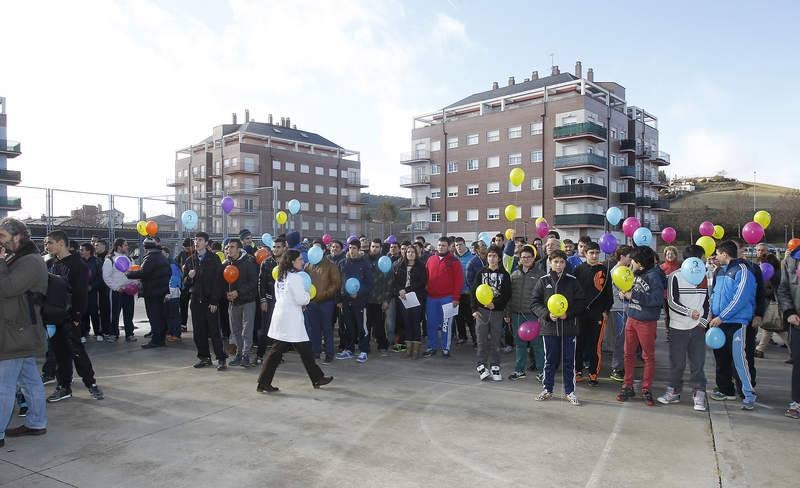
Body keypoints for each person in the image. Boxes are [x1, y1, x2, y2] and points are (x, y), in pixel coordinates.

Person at [0, 218, 49, 446]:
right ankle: (37, 422)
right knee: (29, 379)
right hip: (18, 329)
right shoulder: (19, 258)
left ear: (17, 236)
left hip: (17, 330)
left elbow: (8, 287)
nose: (0, 241)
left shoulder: (30, 261)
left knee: (4, 384)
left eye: (2, 236)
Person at [256, 250, 333, 393]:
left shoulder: (281, 276)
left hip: (282, 318)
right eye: (299, 259)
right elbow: (301, 299)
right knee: (287, 352)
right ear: (292, 261)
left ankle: (316, 377)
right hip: (291, 320)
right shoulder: (295, 278)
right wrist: (307, 295)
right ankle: (264, 382)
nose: (302, 262)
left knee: (292, 352)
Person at [43, 231, 104, 402]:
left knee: (76, 351)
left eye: (49, 243)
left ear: (61, 243)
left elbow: (80, 293)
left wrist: (77, 316)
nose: (46, 246)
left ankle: (91, 384)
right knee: (58, 353)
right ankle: (64, 387)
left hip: (70, 316)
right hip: (53, 316)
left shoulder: (78, 265)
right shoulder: (50, 263)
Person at [658, 244, 710, 411]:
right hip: (678, 327)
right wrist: (689, 313)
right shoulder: (675, 276)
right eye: (700, 258)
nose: (702, 262)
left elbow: (708, 301)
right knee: (677, 363)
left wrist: (703, 321)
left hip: (698, 328)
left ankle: (699, 393)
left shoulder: (704, 276)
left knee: (698, 363)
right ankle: (674, 391)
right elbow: (671, 302)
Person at [531, 250, 585, 405]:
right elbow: (535, 303)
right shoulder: (543, 281)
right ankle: (547, 390)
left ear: (565, 263)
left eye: (562, 262)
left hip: (569, 328)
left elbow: (581, 302)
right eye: (555, 262)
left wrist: (568, 314)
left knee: (569, 361)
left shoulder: (573, 281)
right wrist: (548, 315)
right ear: (550, 262)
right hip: (549, 328)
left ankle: (570, 392)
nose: (559, 265)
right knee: (550, 361)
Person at [709, 240, 758, 410]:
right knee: (721, 359)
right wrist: (711, 314)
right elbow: (714, 294)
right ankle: (725, 390)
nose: (715, 256)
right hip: (718, 323)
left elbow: (740, 298)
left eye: (717, 253)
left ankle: (749, 394)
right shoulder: (719, 271)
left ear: (724, 253)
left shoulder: (743, 270)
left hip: (736, 323)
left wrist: (721, 317)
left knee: (740, 360)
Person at [616, 246, 665, 407]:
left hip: (646, 322)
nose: (630, 263)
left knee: (647, 356)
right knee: (628, 354)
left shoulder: (655, 275)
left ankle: (646, 388)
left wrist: (633, 295)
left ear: (640, 263)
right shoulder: (635, 273)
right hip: (632, 318)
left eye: (633, 261)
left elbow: (656, 300)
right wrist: (624, 295)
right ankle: (627, 385)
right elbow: (631, 293)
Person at [184, 232, 228, 371]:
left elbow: (218, 282)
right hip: (196, 300)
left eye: (200, 240)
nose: (197, 242)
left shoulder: (214, 259)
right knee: (198, 331)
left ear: (207, 243)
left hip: (210, 301)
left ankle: (221, 358)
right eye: (196, 240)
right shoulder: (190, 260)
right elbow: (185, 283)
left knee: (214, 330)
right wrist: (189, 277)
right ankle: (204, 357)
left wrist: (215, 301)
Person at [573, 241, 613, 385]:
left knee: (595, 345)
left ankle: (593, 373)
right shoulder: (578, 270)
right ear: (585, 253)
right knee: (579, 343)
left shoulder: (605, 270)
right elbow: (573, 293)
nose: (594, 255)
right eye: (591, 253)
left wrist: (606, 310)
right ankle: (577, 371)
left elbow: (609, 295)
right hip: (580, 314)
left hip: (598, 314)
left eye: (597, 253)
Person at [471, 245, 512, 381]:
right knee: (481, 340)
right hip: (481, 312)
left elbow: (507, 294)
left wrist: (496, 304)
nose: (491, 258)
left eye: (494, 256)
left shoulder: (504, 275)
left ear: (499, 258)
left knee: (496, 340)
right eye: (489, 256)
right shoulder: (480, 273)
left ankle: (495, 366)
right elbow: (473, 292)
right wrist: (474, 310)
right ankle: (481, 365)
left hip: (497, 312)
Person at [507, 245, 544, 381]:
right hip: (516, 314)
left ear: (533, 258)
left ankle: (542, 372)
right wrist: (508, 313)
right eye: (523, 257)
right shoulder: (514, 274)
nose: (526, 259)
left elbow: (543, 297)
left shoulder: (540, 274)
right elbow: (509, 296)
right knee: (519, 344)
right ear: (520, 259)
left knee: (537, 345)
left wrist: (541, 315)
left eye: (529, 257)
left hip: (533, 315)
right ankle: (519, 370)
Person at [424, 236, 464, 358]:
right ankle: (432, 346)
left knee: (446, 325)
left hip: (447, 298)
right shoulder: (430, 260)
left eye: (444, 245)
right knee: (431, 324)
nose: (441, 247)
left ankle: (445, 348)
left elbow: (459, 280)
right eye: (439, 245)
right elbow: (425, 277)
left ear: (448, 247)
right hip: (431, 298)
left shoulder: (454, 261)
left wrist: (456, 298)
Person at [127, 238, 171, 348]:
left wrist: (129, 274)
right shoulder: (162, 256)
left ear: (146, 247)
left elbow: (143, 272)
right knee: (160, 316)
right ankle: (160, 339)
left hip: (152, 291)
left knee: (154, 316)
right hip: (161, 291)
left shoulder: (151, 257)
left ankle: (156, 340)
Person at [223, 238, 259, 367]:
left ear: (239, 249)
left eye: (232, 247)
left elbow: (253, 282)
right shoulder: (226, 263)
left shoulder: (248, 262)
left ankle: (245, 356)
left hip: (248, 301)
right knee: (235, 330)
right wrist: (226, 293)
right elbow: (222, 282)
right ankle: (238, 354)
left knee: (247, 330)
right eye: (227, 247)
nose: (229, 249)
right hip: (233, 302)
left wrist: (238, 292)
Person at [336, 240, 373, 362]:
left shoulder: (365, 264)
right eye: (350, 248)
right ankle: (349, 349)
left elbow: (369, 283)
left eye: (354, 248)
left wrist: (358, 292)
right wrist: (339, 299)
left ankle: (364, 350)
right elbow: (339, 283)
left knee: (362, 327)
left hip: (360, 302)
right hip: (346, 302)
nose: (352, 250)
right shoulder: (343, 263)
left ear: (359, 250)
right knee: (348, 327)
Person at [305, 241, 341, 363]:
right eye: (313, 248)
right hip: (311, 302)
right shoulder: (308, 265)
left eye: (318, 248)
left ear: (324, 250)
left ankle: (329, 353)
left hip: (326, 302)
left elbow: (336, 284)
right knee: (314, 328)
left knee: (327, 328)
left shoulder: (331, 265)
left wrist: (323, 295)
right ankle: (315, 352)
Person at [776, 241, 800, 418]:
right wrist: (789, 312)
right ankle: (796, 403)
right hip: (797, 321)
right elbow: (783, 289)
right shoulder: (791, 259)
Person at [393, 244, 427, 358]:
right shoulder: (400, 265)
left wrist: (406, 290)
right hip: (403, 299)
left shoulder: (421, 266)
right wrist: (400, 290)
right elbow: (396, 282)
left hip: (416, 298)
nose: (410, 254)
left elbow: (422, 282)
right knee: (407, 323)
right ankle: (409, 348)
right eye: (408, 252)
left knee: (416, 323)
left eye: (412, 252)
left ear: (416, 254)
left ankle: (416, 349)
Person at [102, 238, 138, 343]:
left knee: (129, 313)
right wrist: (117, 288)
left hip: (129, 292)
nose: (127, 247)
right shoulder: (110, 259)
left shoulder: (130, 259)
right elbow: (106, 277)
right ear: (119, 247)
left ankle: (129, 334)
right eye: (125, 245)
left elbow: (133, 273)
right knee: (114, 314)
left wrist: (135, 285)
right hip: (116, 292)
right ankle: (113, 333)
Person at [257, 237, 285, 363]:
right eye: (274, 247)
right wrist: (263, 300)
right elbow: (261, 283)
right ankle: (259, 355)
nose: (275, 249)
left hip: (284, 303)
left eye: (278, 247)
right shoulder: (266, 262)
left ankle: (278, 356)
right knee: (265, 329)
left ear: (284, 248)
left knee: (281, 331)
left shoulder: (288, 263)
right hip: (269, 301)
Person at [755, 251, 787, 359]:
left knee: (775, 327)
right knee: (771, 327)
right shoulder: (779, 272)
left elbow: (769, 291)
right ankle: (760, 349)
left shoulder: (772, 275)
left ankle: (760, 350)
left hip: (774, 304)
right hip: (778, 304)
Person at [609, 245, 632, 382]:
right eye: (629, 256)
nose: (631, 259)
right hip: (618, 308)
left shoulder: (626, 270)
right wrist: (621, 293)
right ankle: (616, 368)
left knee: (625, 339)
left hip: (626, 308)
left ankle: (621, 366)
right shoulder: (615, 271)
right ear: (622, 256)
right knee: (620, 338)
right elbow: (612, 291)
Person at [366, 239, 391, 355]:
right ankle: (365, 347)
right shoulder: (364, 259)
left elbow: (389, 283)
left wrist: (386, 300)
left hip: (379, 299)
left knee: (379, 324)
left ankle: (382, 346)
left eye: (376, 247)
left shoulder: (385, 260)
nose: (374, 248)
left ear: (380, 248)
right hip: (366, 299)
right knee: (366, 325)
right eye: (372, 246)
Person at [454, 237, 477, 346]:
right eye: (457, 245)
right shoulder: (453, 258)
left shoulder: (473, 258)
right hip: (456, 293)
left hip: (468, 293)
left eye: (460, 244)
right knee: (458, 317)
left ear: (465, 245)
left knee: (470, 317)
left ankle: (475, 339)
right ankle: (462, 337)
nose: (459, 247)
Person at [79, 242, 103, 342]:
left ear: (88, 251)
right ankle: (84, 334)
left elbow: (100, 278)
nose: (80, 252)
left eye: (82, 250)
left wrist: (92, 286)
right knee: (83, 313)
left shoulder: (97, 261)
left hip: (93, 292)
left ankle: (98, 333)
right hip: (81, 292)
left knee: (94, 313)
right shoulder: (79, 262)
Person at [162, 246, 183, 342]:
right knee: (170, 314)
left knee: (174, 315)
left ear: (166, 254)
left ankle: (176, 334)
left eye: (162, 254)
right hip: (170, 293)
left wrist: (168, 295)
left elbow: (174, 280)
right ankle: (171, 332)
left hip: (173, 294)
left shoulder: (171, 264)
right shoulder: (168, 263)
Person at [175, 238, 194, 333]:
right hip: (185, 283)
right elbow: (175, 263)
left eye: (188, 248)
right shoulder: (182, 254)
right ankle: (183, 324)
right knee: (183, 304)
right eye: (185, 248)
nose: (187, 250)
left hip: (196, 283)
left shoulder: (196, 254)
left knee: (195, 306)